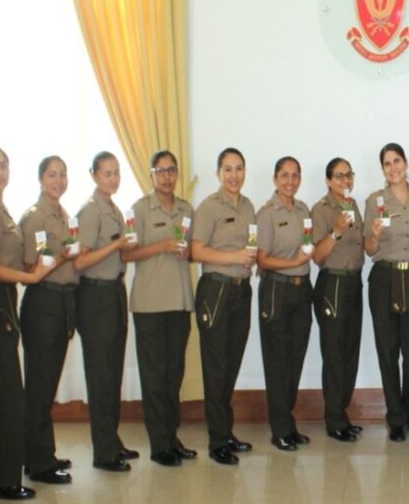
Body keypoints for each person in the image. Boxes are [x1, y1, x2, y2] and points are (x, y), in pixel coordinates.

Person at [0, 146, 53, 500]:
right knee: (11, 397)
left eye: (3, 165)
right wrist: (28, 279)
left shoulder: (0, 207)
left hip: (3, 298)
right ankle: (5, 480)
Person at [121, 151, 195, 467]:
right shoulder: (137, 209)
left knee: (173, 374)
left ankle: (172, 436)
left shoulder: (186, 209)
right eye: (160, 170)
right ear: (152, 175)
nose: (166, 176)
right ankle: (159, 443)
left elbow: (189, 249)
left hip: (179, 301)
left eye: (171, 170)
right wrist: (161, 247)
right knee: (154, 377)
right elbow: (127, 254)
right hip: (149, 304)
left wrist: (185, 251)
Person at [73, 151, 139, 472]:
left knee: (112, 373)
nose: (112, 178)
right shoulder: (90, 211)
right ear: (94, 175)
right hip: (95, 297)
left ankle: (112, 440)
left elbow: (118, 256)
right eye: (106, 173)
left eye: (116, 173)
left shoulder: (113, 209)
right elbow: (80, 261)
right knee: (100, 375)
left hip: (114, 292)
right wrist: (117, 246)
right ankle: (103, 452)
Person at [190, 148, 257, 465]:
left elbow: (252, 246)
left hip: (242, 291)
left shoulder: (248, 206)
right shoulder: (208, 207)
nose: (234, 175)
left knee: (230, 365)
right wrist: (234, 257)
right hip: (215, 291)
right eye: (228, 169)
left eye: (239, 169)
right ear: (218, 173)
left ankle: (226, 431)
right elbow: (196, 251)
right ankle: (217, 441)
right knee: (216, 368)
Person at [363, 143, 409, 442]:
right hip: (384, 278)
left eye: (397, 161)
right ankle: (396, 418)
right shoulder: (374, 201)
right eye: (387, 164)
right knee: (388, 350)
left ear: (406, 162)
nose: (393, 168)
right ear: (383, 169)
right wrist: (374, 236)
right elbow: (369, 249)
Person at [19, 156, 79, 485]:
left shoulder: (62, 214)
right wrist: (63, 256)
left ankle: (41, 453)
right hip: (43, 302)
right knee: (40, 386)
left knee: (48, 384)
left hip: (62, 301)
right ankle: (38, 463)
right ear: (41, 179)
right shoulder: (36, 217)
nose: (58, 180)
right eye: (52, 175)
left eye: (62, 174)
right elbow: (34, 266)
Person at [256, 156, 314, 452]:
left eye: (295, 175)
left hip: (302, 289)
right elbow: (261, 259)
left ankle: (288, 424)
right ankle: (279, 429)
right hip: (276, 290)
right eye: (284, 176)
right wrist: (292, 262)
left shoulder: (303, 210)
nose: (290, 181)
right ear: (275, 179)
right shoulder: (266, 213)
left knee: (295, 358)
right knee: (277, 361)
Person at [310, 157, 365, 442]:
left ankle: (341, 412)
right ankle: (333, 420)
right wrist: (336, 232)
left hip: (354, 283)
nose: (345, 180)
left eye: (349, 175)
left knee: (349, 352)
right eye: (339, 176)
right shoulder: (320, 210)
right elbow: (318, 256)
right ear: (329, 180)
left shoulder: (353, 205)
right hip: (332, 283)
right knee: (333, 355)